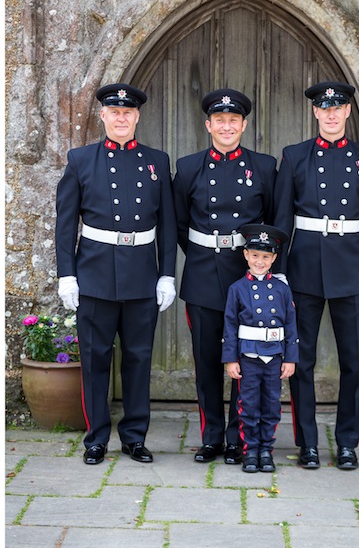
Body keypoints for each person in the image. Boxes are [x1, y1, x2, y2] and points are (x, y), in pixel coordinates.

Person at [55, 80, 177, 465]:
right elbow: (65, 223)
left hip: (142, 270)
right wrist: (67, 274)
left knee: (139, 357)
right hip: (95, 273)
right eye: (115, 112)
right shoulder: (81, 159)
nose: (121, 118)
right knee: (95, 358)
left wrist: (167, 274)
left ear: (136, 117)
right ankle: (96, 438)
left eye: (128, 112)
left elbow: (169, 224)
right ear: (103, 116)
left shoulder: (157, 161)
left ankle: (135, 436)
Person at [274, 80, 359, 470]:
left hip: (352, 268)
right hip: (304, 267)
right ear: (316, 112)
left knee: (353, 361)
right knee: (301, 361)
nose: (332, 113)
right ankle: (307, 443)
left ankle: (347, 444)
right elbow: (282, 220)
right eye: (325, 108)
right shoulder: (294, 156)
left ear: (348, 112)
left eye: (339, 107)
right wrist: (280, 271)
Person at [173, 87, 277, 465]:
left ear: (244, 125)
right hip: (202, 273)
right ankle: (211, 437)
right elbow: (180, 224)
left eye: (234, 120)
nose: (227, 126)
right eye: (220, 120)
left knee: (245, 363)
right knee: (206, 363)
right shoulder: (187, 167)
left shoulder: (264, 167)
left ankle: (239, 438)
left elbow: (272, 222)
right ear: (208, 125)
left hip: (246, 275)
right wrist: (203, 253)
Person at [222, 224, 298, 473]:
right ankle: (250, 450)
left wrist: (291, 358)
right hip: (248, 356)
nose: (260, 261)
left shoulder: (282, 289)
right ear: (245, 255)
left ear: (274, 258)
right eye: (255, 255)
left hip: (274, 356)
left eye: (266, 256)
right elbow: (230, 326)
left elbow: (291, 325)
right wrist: (231, 359)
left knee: (271, 404)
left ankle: (267, 449)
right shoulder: (237, 289)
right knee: (249, 404)